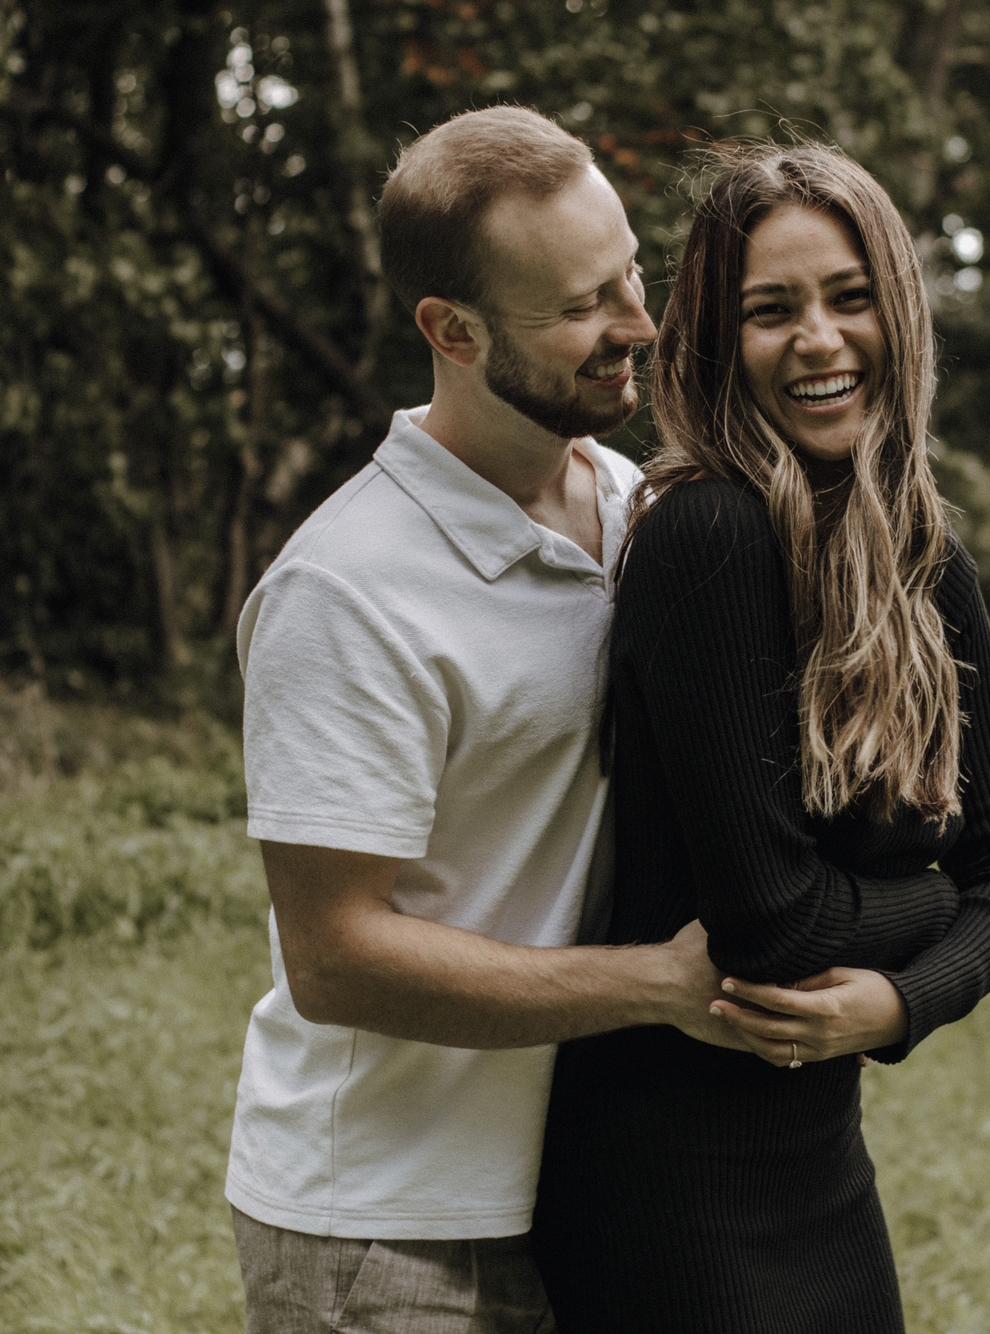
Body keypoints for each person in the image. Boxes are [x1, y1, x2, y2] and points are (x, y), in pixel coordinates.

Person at [225, 106, 749, 1334]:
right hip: (384, 1224)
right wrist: (655, 984)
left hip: (584, 1190)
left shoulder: (636, 504)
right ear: (451, 332)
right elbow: (334, 955)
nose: (638, 323)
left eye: (629, 273)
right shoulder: (344, 589)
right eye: (580, 305)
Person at [532, 143, 990, 1333]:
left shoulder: (918, 550)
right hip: (670, 1181)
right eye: (771, 311)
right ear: (722, 345)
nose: (818, 340)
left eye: (847, 296)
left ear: (897, 312)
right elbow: (770, 924)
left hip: (817, 1162)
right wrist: (940, 897)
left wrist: (900, 1004)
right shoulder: (707, 536)